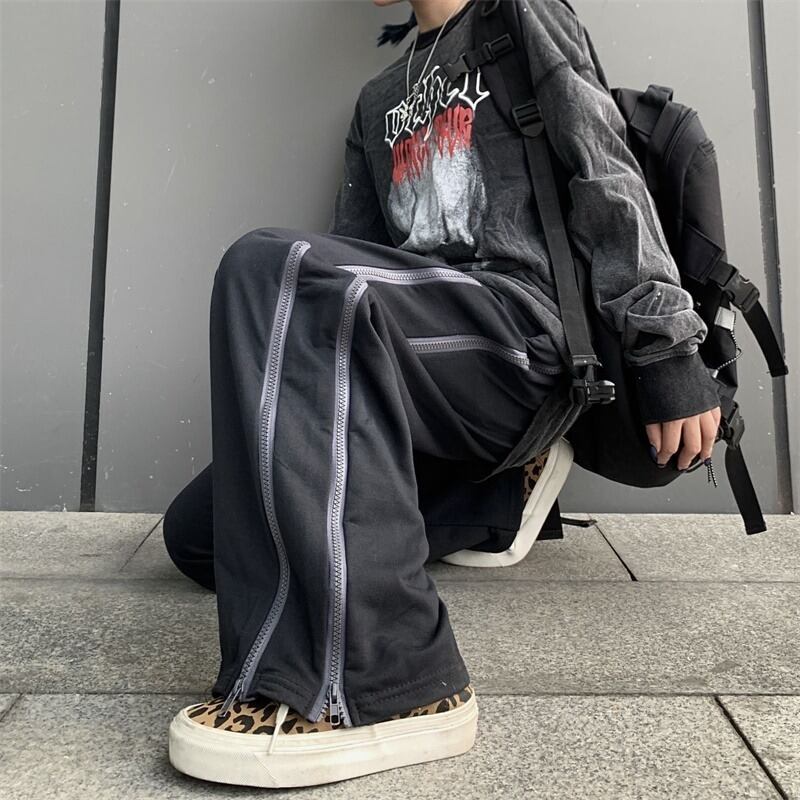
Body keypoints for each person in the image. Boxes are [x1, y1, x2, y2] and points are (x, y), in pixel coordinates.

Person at [165, 0, 722, 788]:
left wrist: (667, 349)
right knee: (198, 535)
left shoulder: (518, 16)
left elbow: (606, 173)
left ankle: (390, 682)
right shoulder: (376, 99)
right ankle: (493, 496)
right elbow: (350, 260)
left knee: (266, 265)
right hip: (423, 354)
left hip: (522, 331)